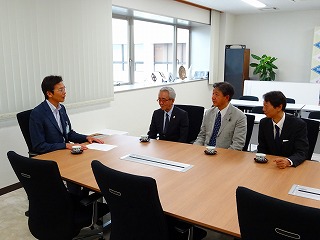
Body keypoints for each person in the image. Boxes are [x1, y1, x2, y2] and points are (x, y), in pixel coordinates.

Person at [29, 75, 104, 154]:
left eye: (64, 89)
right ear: (49, 93)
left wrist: (87, 137)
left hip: (64, 152)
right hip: (51, 156)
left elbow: (69, 134)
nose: (64, 92)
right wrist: (65, 145)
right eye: (60, 90)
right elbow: (39, 146)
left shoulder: (61, 109)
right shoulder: (38, 114)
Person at [257, 91, 309, 169]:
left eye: (266, 106)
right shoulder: (264, 123)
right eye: (263, 106)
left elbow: (302, 152)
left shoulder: (298, 125)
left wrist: (288, 161)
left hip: (290, 168)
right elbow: (262, 147)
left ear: (279, 107)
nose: (263, 109)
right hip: (270, 166)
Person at [194, 82, 247, 150]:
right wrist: (195, 149)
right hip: (205, 152)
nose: (213, 97)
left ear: (227, 97)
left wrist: (221, 157)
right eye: (213, 94)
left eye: (217, 94)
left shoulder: (239, 116)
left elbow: (237, 144)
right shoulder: (209, 113)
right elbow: (202, 136)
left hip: (225, 155)